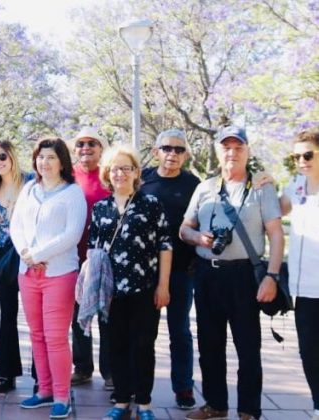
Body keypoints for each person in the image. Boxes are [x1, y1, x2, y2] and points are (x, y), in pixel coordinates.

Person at [180, 126, 283, 420]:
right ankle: (215, 404)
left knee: (248, 346)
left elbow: (276, 235)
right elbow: (184, 228)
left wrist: (271, 276)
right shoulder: (205, 188)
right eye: (226, 147)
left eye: (238, 147)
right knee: (209, 344)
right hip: (208, 274)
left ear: (247, 151)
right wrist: (198, 237)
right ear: (217, 151)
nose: (232, 153)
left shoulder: (262, 188)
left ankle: (249, 409)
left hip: (244, 277)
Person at [93, 145, 172, 420]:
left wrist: (163, 285)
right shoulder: (100, 208)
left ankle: (145, 403)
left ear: (136, 172)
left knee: (142, 345)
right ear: (107, 173)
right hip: (111, 292)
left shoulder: (150, 204)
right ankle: (122, 400)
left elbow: (165, 244)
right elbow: (95, 252)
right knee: (116, 345)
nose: (120, 173)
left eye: (125, 168)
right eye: (114, 168)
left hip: (145, 288)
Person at [11, 137, 86, 419]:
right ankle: (43, 391)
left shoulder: (72, 193)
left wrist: (39, 254)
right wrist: (26, 254)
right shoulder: (29, 188)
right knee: (37, 335)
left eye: (51, 157)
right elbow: (16, 225)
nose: (45, 162)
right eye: (41, 157)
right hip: (27, 273)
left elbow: (72, 235)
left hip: (59, 274)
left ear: (62, 162)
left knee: (55, 337)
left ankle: (61, 396)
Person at [139, 129, 200, 410]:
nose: (172, 154)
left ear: (185, 155)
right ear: (156, 152)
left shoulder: (193, 184)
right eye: (167, 148)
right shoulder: (143, 179)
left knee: (180, 331)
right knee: (143, 334)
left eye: (178, 150)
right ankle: (140, 390)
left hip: (181, 271)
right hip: (145, 271)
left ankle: (184, 388)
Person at [66, 127, 113, 391]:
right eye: (81, 144)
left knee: (107, 317)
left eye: (92, 143)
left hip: (105, 258)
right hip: (74, 259)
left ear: (101, 149)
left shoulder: (110, 174)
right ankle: (82, 368)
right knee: (77, 317)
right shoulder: (68, 176)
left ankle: (110, 371)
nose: (86, 148)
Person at [280, 128, 319, 420]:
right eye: (297, 156)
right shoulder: (296, 186)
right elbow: (275, 210)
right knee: (310, 354)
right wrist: (263, 184)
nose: (301, 160)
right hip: (303, 290)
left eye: (308, 154)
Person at [0, 140, 26, 394]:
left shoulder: (30, 183)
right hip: (3, 259)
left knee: (39, 319)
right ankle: (5, 373)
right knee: (8, 316)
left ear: (12, 156)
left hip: (30, 256)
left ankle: (48, 378)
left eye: (2, 156)